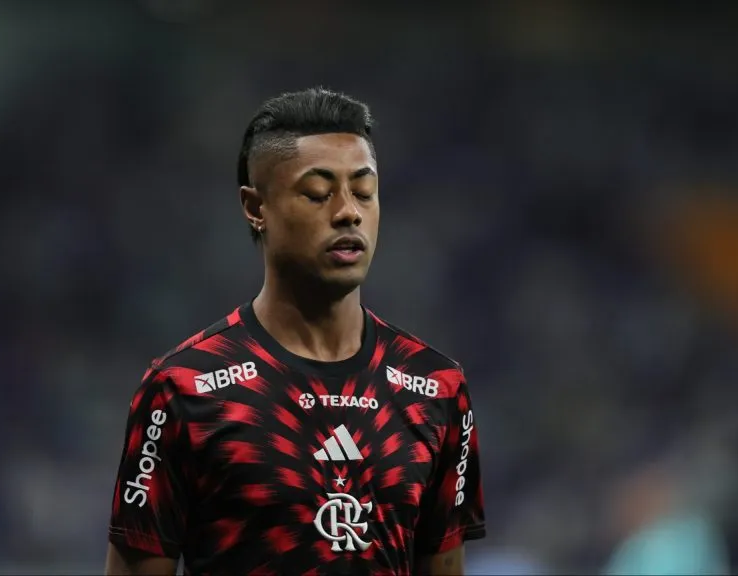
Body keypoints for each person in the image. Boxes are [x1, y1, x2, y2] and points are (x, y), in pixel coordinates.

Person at [105, 88, 486, 575]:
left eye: (363, 191)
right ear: (255, 207)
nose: (348, 211)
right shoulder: (182, 390)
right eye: (318, 193)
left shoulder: (436, 387)